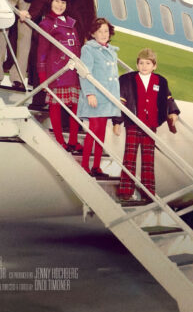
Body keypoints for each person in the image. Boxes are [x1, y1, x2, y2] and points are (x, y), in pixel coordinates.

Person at [116, 48, 180, 202]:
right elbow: (120, 102)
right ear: (137, 65)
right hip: (133, 123)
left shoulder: (161, 81)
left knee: (148, 159)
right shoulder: (127, 79)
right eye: (141, 63)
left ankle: (148, 192)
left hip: (151, 124)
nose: (144, 66)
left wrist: (173, 112)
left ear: (154, 66)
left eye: (148, 63)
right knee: (129, 157)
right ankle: (126, 190)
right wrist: (117, 122)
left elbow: (168, 98)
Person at [35, 0, 82, 151]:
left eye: (63, 2)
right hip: (57, 72)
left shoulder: (71, 23)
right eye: (57, 1)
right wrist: (42, 75)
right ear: (50, 2)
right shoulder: (46, 24)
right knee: (55, 106)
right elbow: (41, 52)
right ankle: (60, 140)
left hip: (73, 72)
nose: (60, 5)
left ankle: (73, 141)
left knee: (75, 107)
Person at [77, 18, 121, 178]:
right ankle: (84, 165)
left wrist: (115, 98)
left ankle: (96, 166)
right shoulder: (88, 49)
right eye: (100, 31)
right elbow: (84, 72)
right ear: (93, 33)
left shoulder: (112, 52)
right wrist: (89, 93)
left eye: (106, 31)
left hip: (107, 98)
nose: (103, 34)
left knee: (101, 131)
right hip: (95, 96)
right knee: (93, 130)